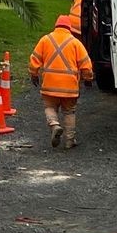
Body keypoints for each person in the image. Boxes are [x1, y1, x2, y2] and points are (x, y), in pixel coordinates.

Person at [28, 12, 94, 148]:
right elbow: (86, 64)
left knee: (49, 107)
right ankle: (69, 141)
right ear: (69, 28)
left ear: (56, 26)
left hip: (49, 86)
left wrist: (33, 74)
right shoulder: (75, 43)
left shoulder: (45, 40)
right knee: (69, 112)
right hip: (69, 89)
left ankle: (54, 125)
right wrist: (88, 78)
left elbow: (34, 59)